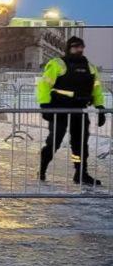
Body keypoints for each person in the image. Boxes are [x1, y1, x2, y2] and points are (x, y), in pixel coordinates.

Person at [37, 35, 107, 186]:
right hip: (59, 108)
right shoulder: (57, 64)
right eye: (75, 46)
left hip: (79, 110)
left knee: (80, 144)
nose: (79, 49)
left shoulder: (90, 67)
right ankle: (42, 169)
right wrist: (45, 105)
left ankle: (80, 172)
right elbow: (44, 85)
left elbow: (97, 89)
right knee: (54, 142)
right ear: (69, 48)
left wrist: (100, 107)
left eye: (81, 47)